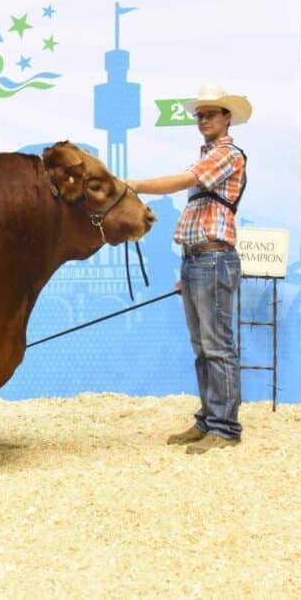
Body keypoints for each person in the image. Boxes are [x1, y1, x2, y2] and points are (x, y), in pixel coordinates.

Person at [126, 84, 251, 455]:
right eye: (200, 115)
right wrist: (188, 271)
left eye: (211, 114)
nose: (204, 120)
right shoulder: (207, 157)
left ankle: (226, 428)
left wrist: (135, 185)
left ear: (227, 117)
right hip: (198, 260)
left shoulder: (226, 154)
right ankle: (209, 420)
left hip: (213, 258)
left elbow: (185, 181)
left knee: (217, 346)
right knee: (203, 347)